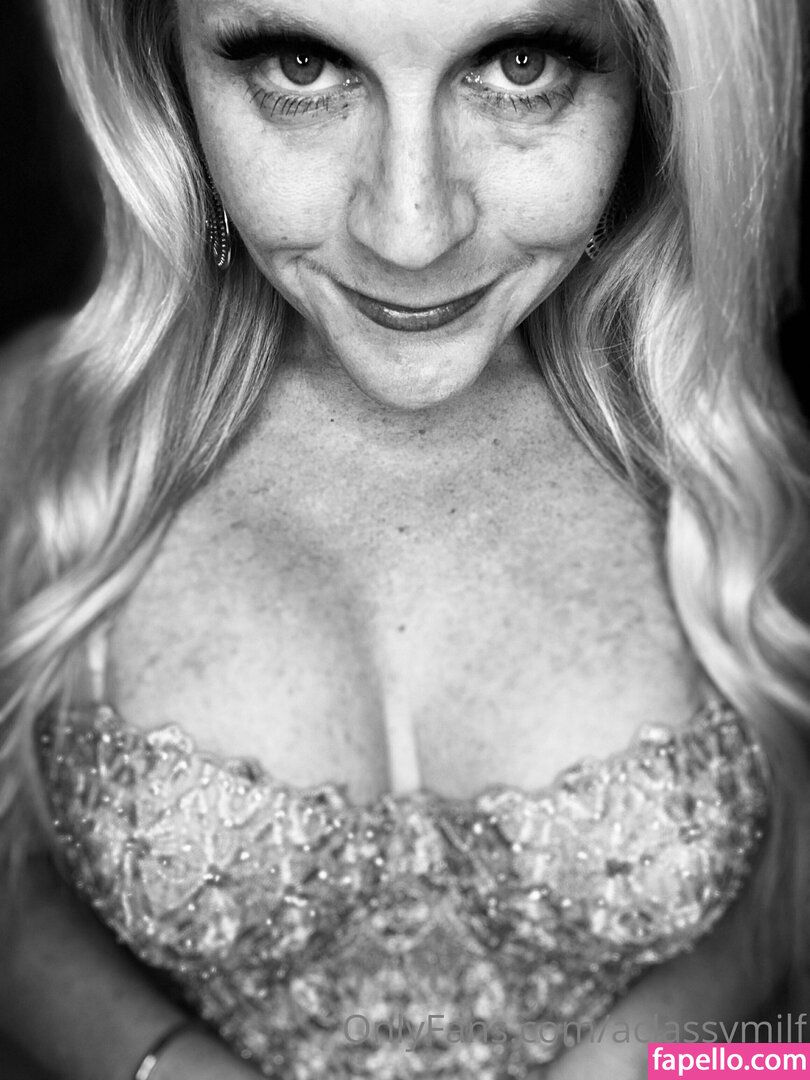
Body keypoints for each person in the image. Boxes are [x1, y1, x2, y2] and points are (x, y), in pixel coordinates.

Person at [0, 0, 808, 1078]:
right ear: (160, 62)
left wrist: (654, 1067)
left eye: (521, 66)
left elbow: (787, 1030)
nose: (411, 232)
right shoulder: (48, 445)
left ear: (657, 72)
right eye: (300, 65)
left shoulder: (749, 461)